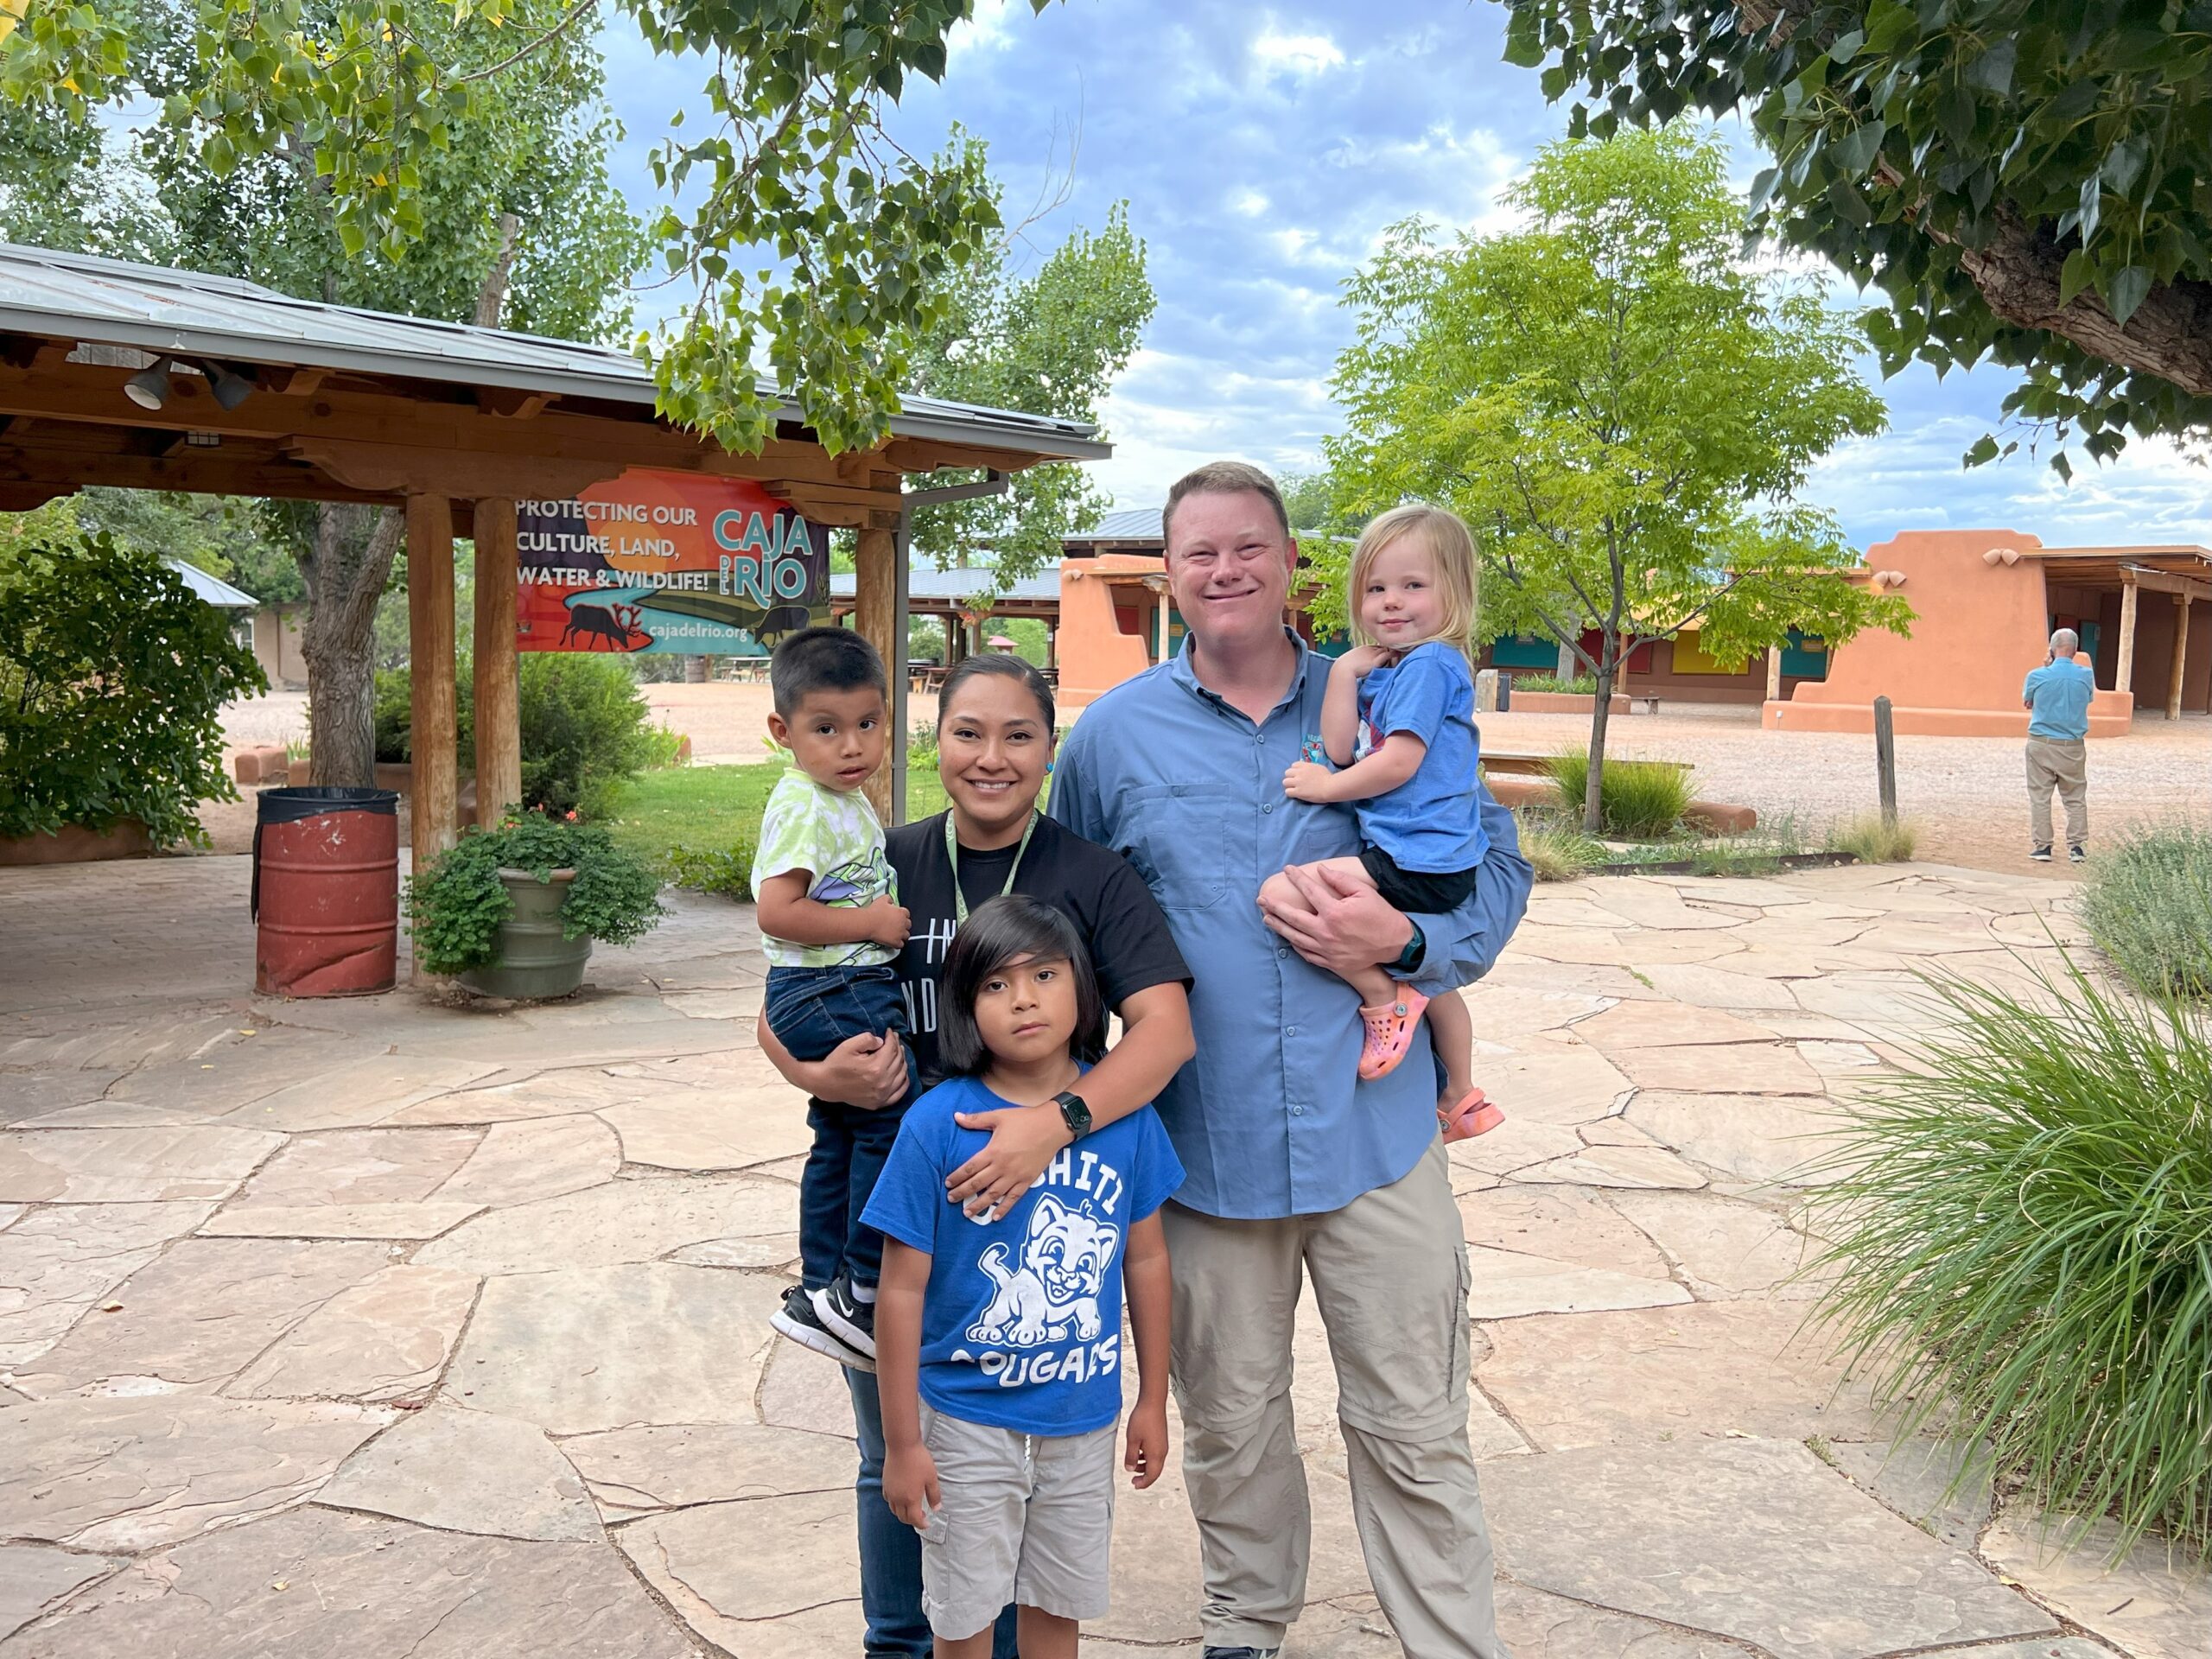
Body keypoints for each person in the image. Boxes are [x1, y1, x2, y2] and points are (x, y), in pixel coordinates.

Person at [1048, 461, 1531, 1659]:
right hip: (1203, 1153)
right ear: (1170, 570)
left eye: (1249, 548)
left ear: (1292, 565)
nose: (1225, 570)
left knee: (1415, 1425)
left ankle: (1449, 1644)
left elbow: (1499, 870)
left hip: (1374, 1140)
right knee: (1231, 1423)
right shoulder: (1112, 740)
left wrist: (1413, 940)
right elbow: (1054, 930)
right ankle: (1245, 1628)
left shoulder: (1397, 692)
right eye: (1201, 551)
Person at [757, 651, 1194, 1659]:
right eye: (967, 734)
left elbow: (1166, 1034)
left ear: (1050, 749)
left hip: (1053, 1218)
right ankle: (899, 1647)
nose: (990, 758)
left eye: (1018, 735)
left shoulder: (1090, 875)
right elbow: (780, 1000)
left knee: (1024, 1476)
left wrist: (1059, 1124)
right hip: (911, 1216)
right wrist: (815, 1080)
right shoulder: (883, 857)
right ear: (934, 740)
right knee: (895, 1454)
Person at [866, 895, 1180, 1659]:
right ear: (967, 1009)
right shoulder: (939, 1124)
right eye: (996, 985)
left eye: (1044, 974)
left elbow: (1147, 1259)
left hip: (1083, 1418)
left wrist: (1152, 1399)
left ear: (1083, 987)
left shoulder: (1126, 1117)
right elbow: (900, 1291)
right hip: (966, 1421)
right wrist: (903, 1444)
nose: (1026, 998)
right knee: (964, 1618)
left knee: (1057, 1610)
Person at [1268, 503, 1503, 1141]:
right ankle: (1461, 1092)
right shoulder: (1392, 668)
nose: (1391, 603)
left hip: (1415, 860)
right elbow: (1343, 744)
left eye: (1413, 586)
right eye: (1376, 588)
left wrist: (1325, 789)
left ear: (1453, 592)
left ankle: (1380, 999)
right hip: (1426, 860)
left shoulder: (1429, 665)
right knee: (1432, 982)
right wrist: (1343, 670)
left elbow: (1395, 762)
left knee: (1281, 895)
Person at [751, 626, 915, 1370]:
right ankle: (866, 1285)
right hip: (828, 983)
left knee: (841, 1130)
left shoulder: (838, 798)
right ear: (784, 732)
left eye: (867, 725)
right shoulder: (806, 806)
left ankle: (822, 1288)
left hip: (827, 983)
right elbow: (777, 912)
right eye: (826, 729)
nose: (852, 746)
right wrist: (873, 923)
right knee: (892, 1114)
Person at [2022, 626, 2094, 863]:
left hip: (2041, 743)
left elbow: (2028, 702)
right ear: (2075, 650)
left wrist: (2047, 665)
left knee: (2040, 796)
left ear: (2052, 649)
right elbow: (2087, 699)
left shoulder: (2037, 675)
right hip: (2072, 745)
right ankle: (2077, 847)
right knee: (2075, 797)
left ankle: (2043, 847)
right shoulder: (2085, 676)